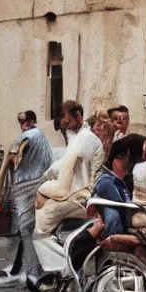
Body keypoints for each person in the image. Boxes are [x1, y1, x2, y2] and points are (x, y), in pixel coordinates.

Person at [35, 102, 104, 275]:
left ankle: (64, 270)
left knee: (40, 230)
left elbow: (63, 185)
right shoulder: (79, 138)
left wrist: (42, 189)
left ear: (78, 116)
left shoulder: (85, 139)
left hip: (80, 196)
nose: (65, 127)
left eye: (67, 123)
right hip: (78, 194)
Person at [0, 111, 54, 287]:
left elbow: (10, 157)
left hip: (28, 185)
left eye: (26, 120)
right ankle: (28, 269)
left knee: (26, 229)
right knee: (30, 229)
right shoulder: (41, 137)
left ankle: (32, 272)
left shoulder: (29, 135)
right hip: (40, 185)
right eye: (21, 120)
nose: (23, 123)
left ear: (31, 121)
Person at [93, 135, 146, 240]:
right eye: (120, 157)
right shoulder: (105, 180)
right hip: (111, 240)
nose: (124, 162)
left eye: (126, 157)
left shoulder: (129, 181)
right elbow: (122, 203)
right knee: (112, 213)